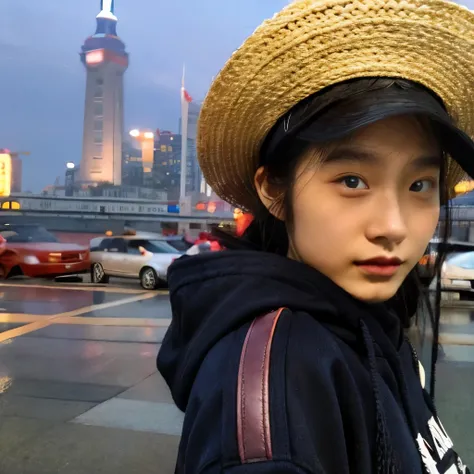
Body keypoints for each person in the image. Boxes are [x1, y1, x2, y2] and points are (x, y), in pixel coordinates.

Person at [157, 0, 474, 472]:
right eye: (352, 181)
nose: (393, 227)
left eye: (418, 185)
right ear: (273, 190)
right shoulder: (276, 393)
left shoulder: (371, 322)